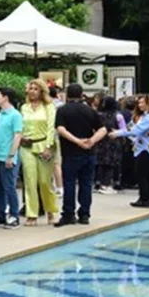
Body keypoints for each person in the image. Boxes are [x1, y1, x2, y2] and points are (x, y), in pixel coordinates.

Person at [54, 84, 107, 226]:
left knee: (69, 183)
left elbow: (61, 129)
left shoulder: (62, 110)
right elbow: (102, 130)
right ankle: (84, 214)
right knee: (86, 183)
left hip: (70, 152)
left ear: (67, 95)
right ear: (82, 94)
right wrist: (91, 141)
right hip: (89, 152)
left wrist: (77, 141)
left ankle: (68, 214)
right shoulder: (90, 110)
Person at [111, 94, 149, 208]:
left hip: (148, 149)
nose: (139, 105)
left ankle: (144, 198)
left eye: (142, 103)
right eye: (139, 103)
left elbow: (136, 130)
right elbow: (131, 128)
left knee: (141, 174)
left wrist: (118, 133)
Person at [19, 80, 59, 226]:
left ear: (42, 91)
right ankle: (31, 214)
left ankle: (50, 210)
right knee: (30, 181)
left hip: (44, 144)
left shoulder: (49, 107)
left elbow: (51, 128)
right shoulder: (24, 107)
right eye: (30, 88)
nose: (32, 91)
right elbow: (20, 126)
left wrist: (48, 146)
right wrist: (21, 137)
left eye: (36, 89)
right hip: (27, 146)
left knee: (44, 181)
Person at [0, 87, 24, 228]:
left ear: (6, 98)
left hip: (7, 156)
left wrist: (11, 155)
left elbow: (17, 135)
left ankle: (14, 215)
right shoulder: (0, 114)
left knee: (9, 186)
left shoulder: (15, 115)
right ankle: (1, 214)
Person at [94, 96, 126, 193]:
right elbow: (124, 129)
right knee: (110, 164)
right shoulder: (118, 116)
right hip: (113, 141)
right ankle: (106, 184)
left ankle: (98, 181)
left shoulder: (98, 115)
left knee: (100, 162)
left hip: (100, 140)